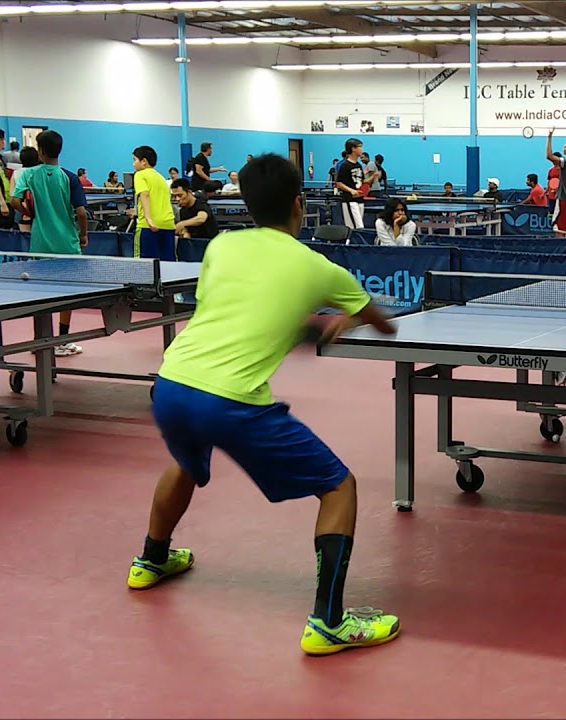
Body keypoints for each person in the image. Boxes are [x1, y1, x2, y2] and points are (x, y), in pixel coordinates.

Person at [126, 152, 401, 657]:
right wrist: (338, 321)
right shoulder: (319, 266)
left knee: (185, 462)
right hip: (230, 399)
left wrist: (288, 324)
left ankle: (151, 559)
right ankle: (330, 623)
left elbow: (226, 312)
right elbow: (385, 323)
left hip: (171, 381)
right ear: (299, 204)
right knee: (339, 486)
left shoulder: (222, 247)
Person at [8, 130, 89, 357]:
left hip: (40, 244)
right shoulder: (69, 177)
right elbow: (81, 213)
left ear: (40, 151)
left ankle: (41, 339)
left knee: (41, 293)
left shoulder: (29, 175)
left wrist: (28, 212)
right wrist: (83, 235)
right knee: (67, 296)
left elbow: (14, 200)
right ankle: (62, 340)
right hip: (67, 246)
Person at [131, 145, 177, 260]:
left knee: (145, 266)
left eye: (134, 160)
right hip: (168, 224)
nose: (133, 164)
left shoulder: (139, 174)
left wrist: (148, 218)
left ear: (144, 161)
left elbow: (144, 195)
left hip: (148, 226)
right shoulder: (161, 178)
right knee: (168, 265)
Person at [334, 138, 366, 230]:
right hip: (350, 200)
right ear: (353, 149)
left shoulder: (359, 165)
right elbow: (339, 183)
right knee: (357, 227)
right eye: (360, 147)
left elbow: (362, 181)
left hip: (360, 199)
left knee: (358, 226)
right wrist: (351, 191)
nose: (362, 149)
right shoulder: (345, 166)